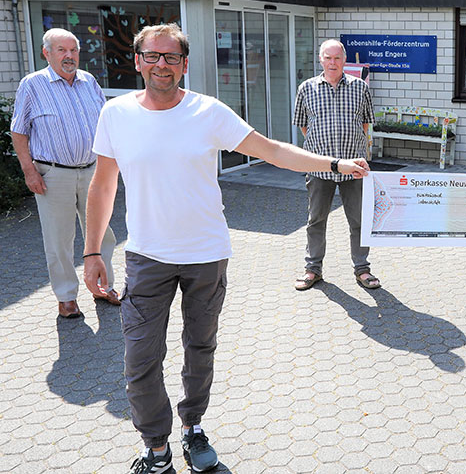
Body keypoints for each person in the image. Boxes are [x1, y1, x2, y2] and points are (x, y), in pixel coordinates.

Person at [82, 24, 369, 474]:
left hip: (205, 255)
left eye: (171, 57)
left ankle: (192, 427)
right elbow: (102, 186)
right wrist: (92, 251)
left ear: (185, 64)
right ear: (137, 60)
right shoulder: (115, 115)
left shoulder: (208, 112)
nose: (162, 64)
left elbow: (272, 150)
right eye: (153, 56)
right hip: (146, 257)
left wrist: (334, 163)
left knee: (200, 348)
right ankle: (156, 447)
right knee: (140, 356)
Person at [10, 28, 118, 319]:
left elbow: (106, 123)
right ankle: (67, 296)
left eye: (73, 50)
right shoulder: (32, 85)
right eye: (61, 50)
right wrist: (29, 171)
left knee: (102, 233)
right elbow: (18, 131)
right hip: (53, 174)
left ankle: (103, 286)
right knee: (59, 239)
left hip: (93, 171)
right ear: (46, 53)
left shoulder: (89, 81)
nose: (69, 56)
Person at [292, 39, 380, 291]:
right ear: (320, 60)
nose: (332, 63)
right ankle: (313, 269)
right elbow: (303, 125)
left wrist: (356, 151)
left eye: (337, 58)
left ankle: (362, 269)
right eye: (328, 58)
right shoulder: (306, 88)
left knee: (359, 221)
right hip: (319, 167)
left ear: (344, 60)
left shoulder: (360, 88)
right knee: (316, 219)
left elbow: (365, 125)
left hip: (354, 167)